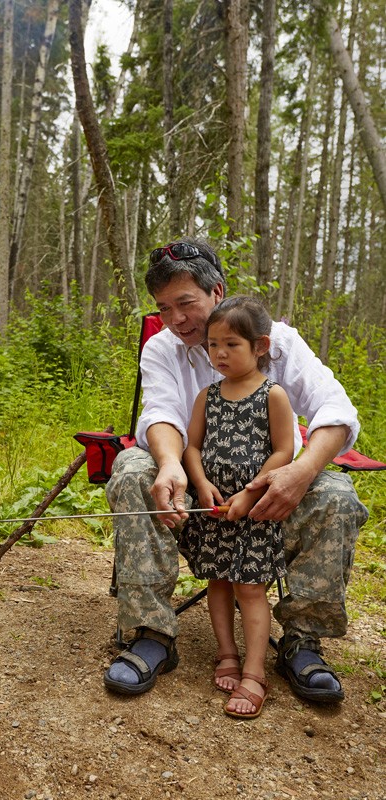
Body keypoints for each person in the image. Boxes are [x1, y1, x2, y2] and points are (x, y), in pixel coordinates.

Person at [103, 236, 369, 703]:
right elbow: (160, 415)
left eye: (185, 303)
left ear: (217, 292)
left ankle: (302, 640)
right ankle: (150, 633)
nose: (175, 320)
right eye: (163, 309)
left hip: (270, 484)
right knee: (131, 472)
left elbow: (336, 410)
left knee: (336, 495)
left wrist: (300, 472)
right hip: (196, 483)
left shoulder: (278, 342)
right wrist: (170, 464)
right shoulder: (163, 348)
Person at [181, 296, 294, 718]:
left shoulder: (273, 395)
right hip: (214, 509)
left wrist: (249, 492)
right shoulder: (207, 396)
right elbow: (192, 446)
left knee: (249, 587)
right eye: (212, 345)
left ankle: (254, 671)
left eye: (231, 345)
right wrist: (202, 483)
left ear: (260, 346)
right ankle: (226, 652)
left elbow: (284, 450)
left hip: (254, 509)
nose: (220, 354)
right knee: (218, 581)